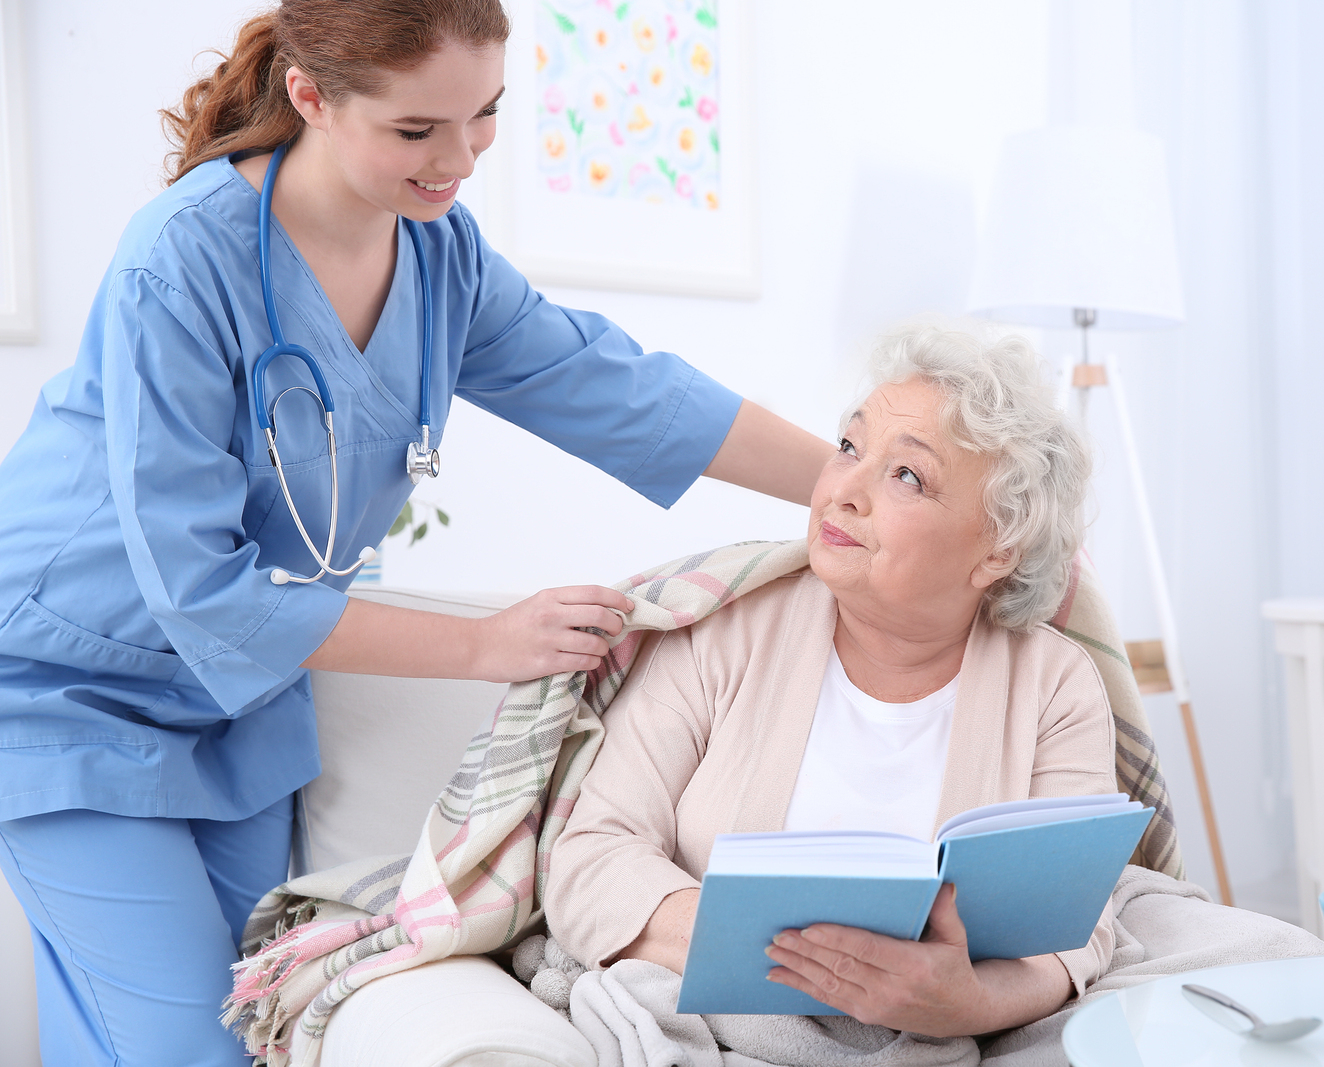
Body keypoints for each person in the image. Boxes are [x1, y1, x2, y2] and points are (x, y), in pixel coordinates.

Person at [0, 2, 831, 1064]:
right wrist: (485, 645)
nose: (460, 159)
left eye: (483, 116)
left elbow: (618, 387)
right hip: (72, 693)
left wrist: (854, 485)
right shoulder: (180, 262)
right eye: (417, 131)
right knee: (175, 1048)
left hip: (243, 702)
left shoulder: (441, 258)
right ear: (310, 95)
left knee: (268, 1023)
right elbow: (202, 588)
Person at [546, 325, 1115, 1038]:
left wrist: (973, 1003)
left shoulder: (1055, 685)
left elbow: (1078, 922)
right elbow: (590, 857)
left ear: (997, 549)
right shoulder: (722, 632)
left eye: (906, 475)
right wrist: (790, 955)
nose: (842, 489)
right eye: (849, 447)